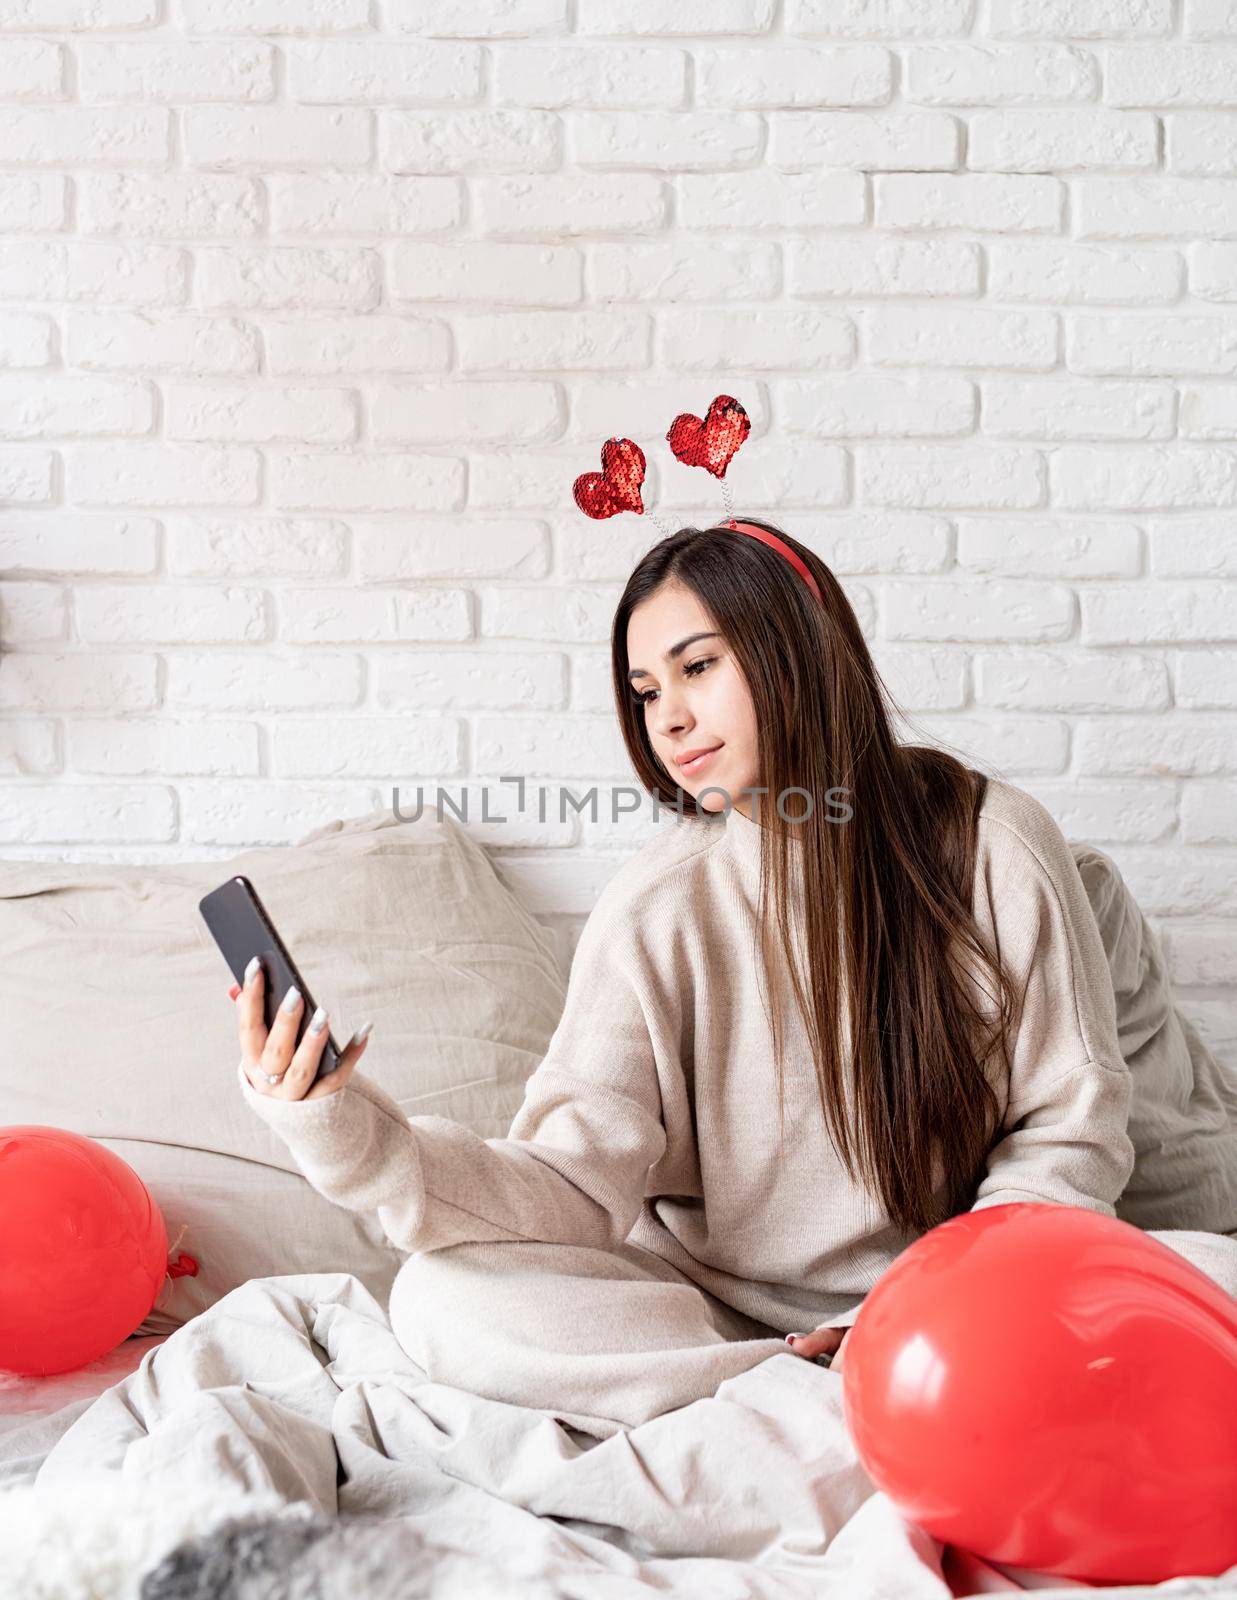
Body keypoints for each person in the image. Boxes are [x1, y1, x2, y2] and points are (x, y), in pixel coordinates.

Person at [233, 518, 1236, 1441]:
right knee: (441, 1301)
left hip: (952, 1304)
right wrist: (352, 1132)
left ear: (794, 645)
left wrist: (921, 1313)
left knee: (1200, 1287)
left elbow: (1067, 1131)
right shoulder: (656, 907)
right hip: (717, 1320)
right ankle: (813, 1398)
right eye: (644, 692)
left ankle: (849, 1400)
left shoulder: (994, 844)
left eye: (696, 668)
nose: (668, 717)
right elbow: (573, 1184)